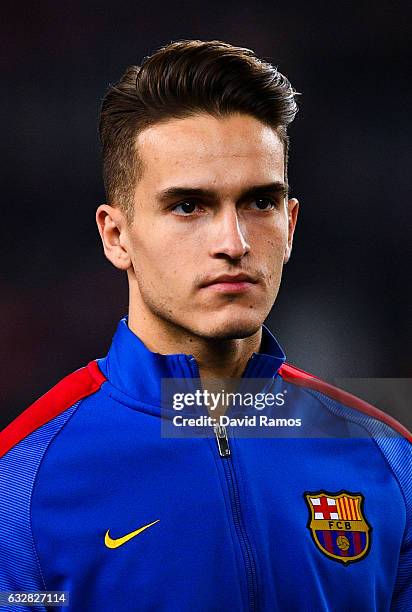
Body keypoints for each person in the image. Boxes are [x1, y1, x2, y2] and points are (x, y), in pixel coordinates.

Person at [0, 40, 410, 612]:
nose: (233, 244)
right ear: (116, 235)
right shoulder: (22, 481)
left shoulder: (388, 456)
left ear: (290, 224)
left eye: (260, 203)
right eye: (189, 206)